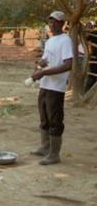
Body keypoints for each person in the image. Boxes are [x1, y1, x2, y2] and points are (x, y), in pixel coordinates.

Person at [30, 11, 73, 165]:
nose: (51, 24)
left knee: (55, 119)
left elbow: (68, 64)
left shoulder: (65, 40)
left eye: (55, 22)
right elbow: (47, 58)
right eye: (50, 22)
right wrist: (40, 63)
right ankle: (45, 146)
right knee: (44, 116)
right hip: (45, 84)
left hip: (56, 87)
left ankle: (54, 154)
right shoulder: (50, 40)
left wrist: (44, 71)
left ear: (62, 24)